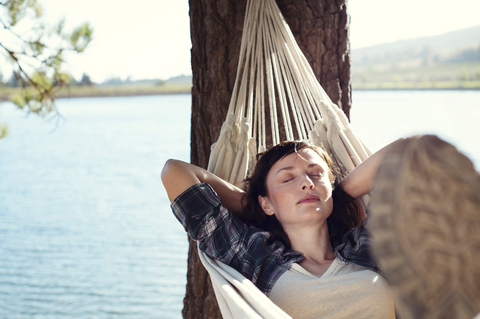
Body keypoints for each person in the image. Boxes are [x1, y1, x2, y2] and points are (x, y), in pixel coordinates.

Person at [162, 136, 480, 319]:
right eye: (288, 179)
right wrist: (255, 206)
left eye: (315, 174)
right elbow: (175, 172)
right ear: (266, 203)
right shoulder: (253, 256)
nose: (305, 183)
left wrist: (336, 193)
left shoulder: (366, 247)